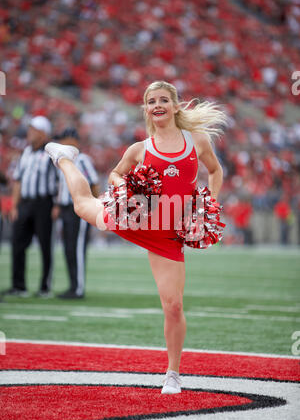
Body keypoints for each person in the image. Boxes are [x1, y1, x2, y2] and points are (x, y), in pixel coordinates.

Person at [45, 81, 226, 394]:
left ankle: (173, 374)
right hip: (137, 216)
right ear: (146, 108)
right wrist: (126, 188)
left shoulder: (197, 140)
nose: (157, 105)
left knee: (173, 305)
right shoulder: (140, 149)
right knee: (82, 205)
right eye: (151, 101)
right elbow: (115, 174)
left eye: (163, 100)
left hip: (168, 234)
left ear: (175, 105)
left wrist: (207, 203)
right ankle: (64, 158)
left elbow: (215, 171)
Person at [4, 116, 58, 298]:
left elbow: (60, 181)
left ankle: (45, 286)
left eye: (34, 129)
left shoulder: (52, 152)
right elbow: (18, 180)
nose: (29, 133)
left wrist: (56, 204)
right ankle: (19, 286)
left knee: (45, 244)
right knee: (17, 244)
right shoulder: (26, 152)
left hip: (44, 202)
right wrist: (14, 205)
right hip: (25, 203)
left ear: (43, 132)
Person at [52, 128, 100, 299]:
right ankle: (73, 286)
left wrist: (93, 205)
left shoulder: (82, 159)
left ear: (73, 140)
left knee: (78, 249)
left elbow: (94, 183)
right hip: (65, 208)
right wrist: (57, 205)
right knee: (69, 249)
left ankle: (78, 288)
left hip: (79, 210)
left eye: (64, 139)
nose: (62, 143)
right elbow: (61, 186)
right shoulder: (63, 160)